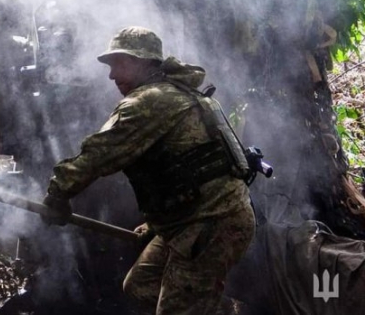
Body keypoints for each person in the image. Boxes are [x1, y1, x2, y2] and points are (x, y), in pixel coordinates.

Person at [41, 26, 256, 314]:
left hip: (212, 222)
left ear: (143, 62)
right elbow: (188, 171)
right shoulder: (173, 93)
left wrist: (56, 196)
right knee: (141, 287)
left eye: (119, 64)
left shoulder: (148, 102)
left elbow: (97, 156)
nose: (111, 75)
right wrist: (157, 224)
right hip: (191, 219)